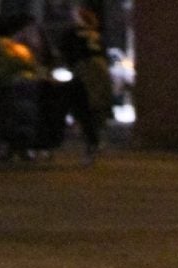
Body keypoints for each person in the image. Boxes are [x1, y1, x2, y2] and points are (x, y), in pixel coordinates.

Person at [56, 5, 112, 161]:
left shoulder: (72, 33)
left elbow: (64, 53)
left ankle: (92, 141)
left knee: (81, 106)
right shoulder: (95, 34)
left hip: (85, 69)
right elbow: (104, 54)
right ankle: (96, 137)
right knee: (97, 106)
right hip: (101, 70)